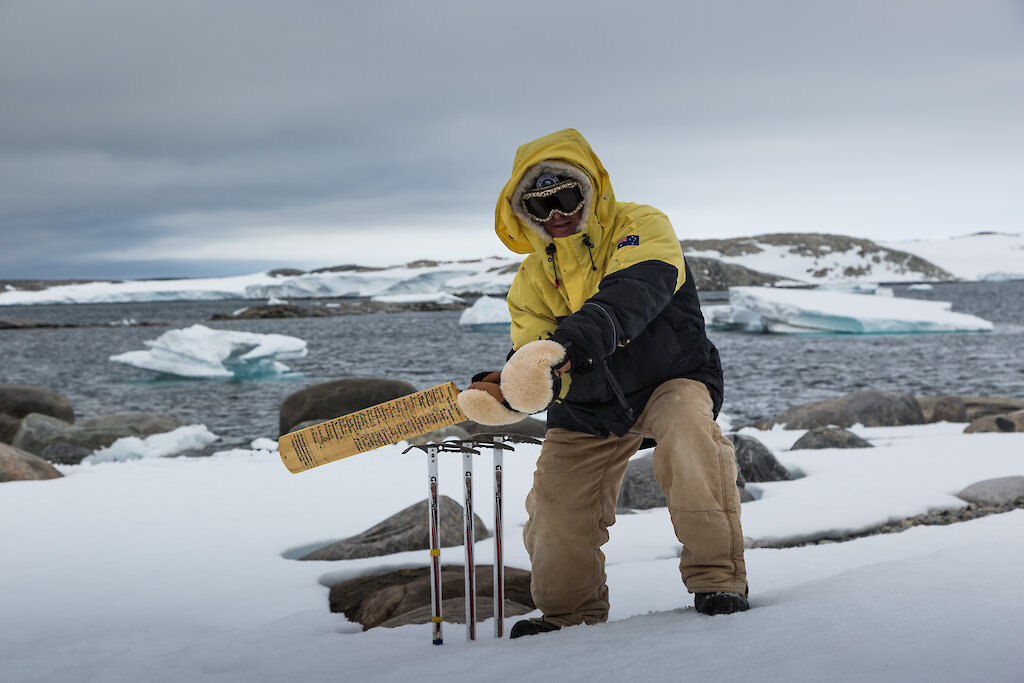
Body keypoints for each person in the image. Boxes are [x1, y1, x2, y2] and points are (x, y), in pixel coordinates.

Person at [458, 129, 748, 638]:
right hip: (589, 403)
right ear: (523, 213)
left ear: (589, 190)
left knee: (689, 434)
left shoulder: (641, 226)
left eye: (566, 197)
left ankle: (718, 582)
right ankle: (569, 617)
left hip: (670, 377)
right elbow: (532, 356)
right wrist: (509, 389)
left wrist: (565, 348)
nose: (557, 215)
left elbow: (634, 292)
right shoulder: (529, 282)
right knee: (554, 502)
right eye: (539, 207)